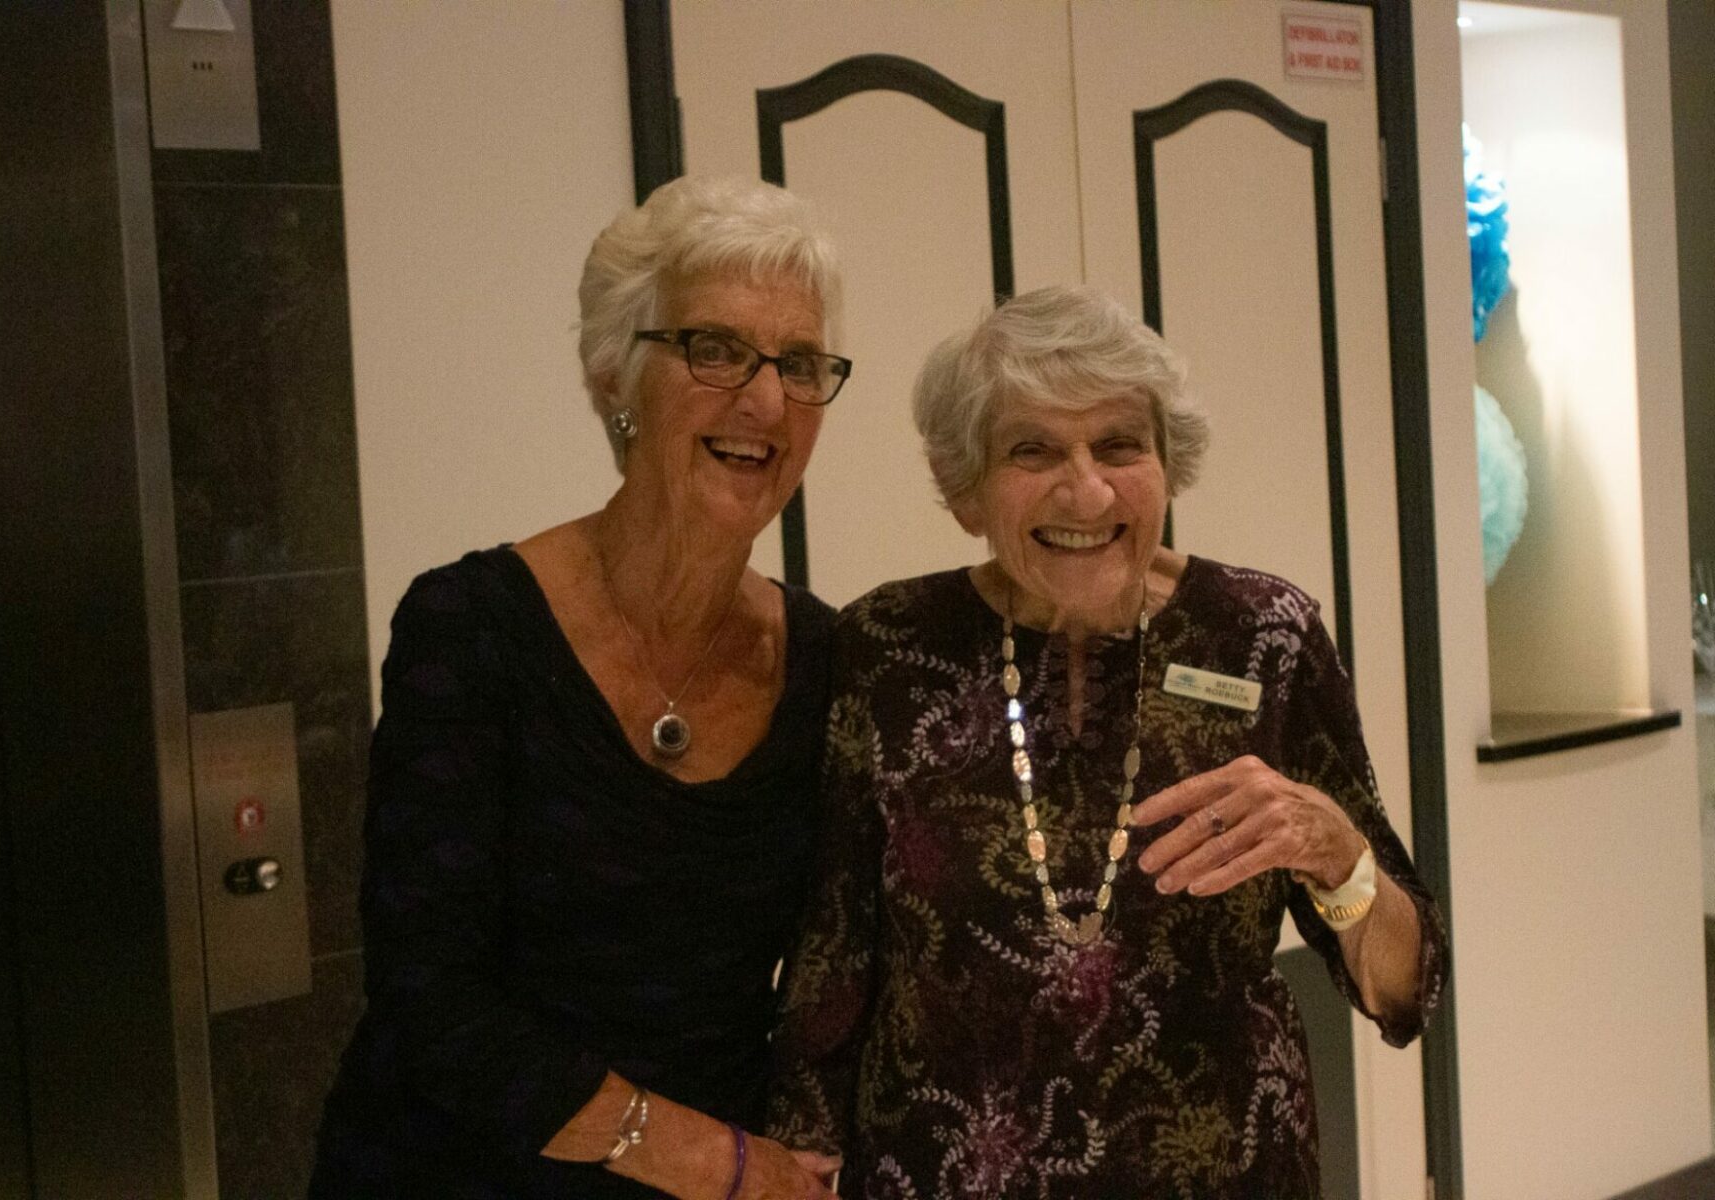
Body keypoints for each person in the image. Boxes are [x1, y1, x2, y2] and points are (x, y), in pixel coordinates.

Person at [766, 284, 1448, 1199]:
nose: (1086, 491)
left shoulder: (1261, 635)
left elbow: (1404, 986)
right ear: (968, 490)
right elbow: (833, 943)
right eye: (1033, 450)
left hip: (1224, 1171)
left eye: (1120, 445)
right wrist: (798, 1148)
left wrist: (1338, 853)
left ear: (1169, 464)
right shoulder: (888, 645)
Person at [311, 176, 852, 1199]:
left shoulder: (826, 657)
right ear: (613, 375)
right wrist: (716, 1161)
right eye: (716, 349)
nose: (767, 402)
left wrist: (1154, 600)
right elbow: (430, 999)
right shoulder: (474, 628)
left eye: (799, 363)